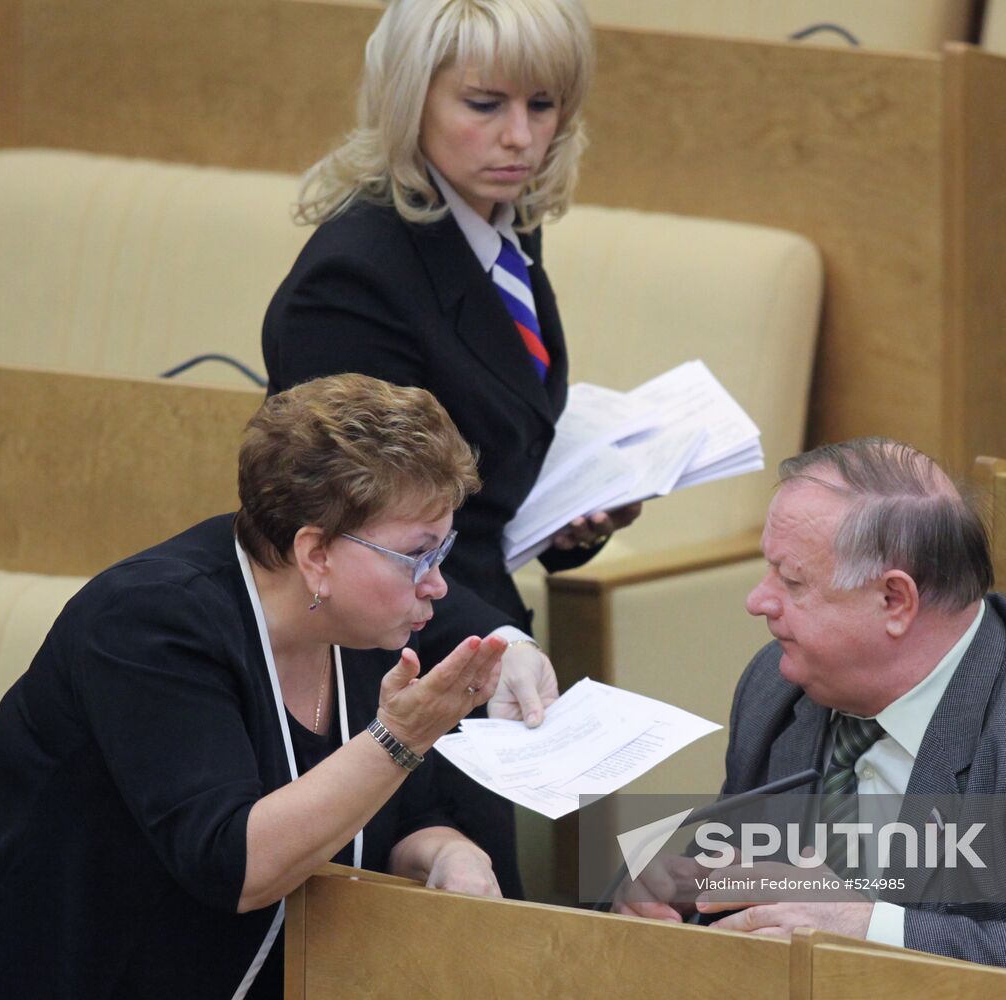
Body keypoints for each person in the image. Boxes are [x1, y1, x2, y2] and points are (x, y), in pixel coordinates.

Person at [0, 374, 509, 1000]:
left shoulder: (359, 632)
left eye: (444, 552)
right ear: (316, 555)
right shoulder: (147, 621)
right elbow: (233, 864)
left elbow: (406, 816)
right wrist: (400, 737)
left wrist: (447, 855)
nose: (437, 584)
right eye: (418, 556)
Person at [262, 0, 639, 894]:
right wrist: (494, 637)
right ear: (409, 100)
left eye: (543, 105)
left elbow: (480, 476)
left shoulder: (499, 228)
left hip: (467, 638)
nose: (519, 137)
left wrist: (573, 516)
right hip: (387, 668)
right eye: (485, 104)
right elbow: (355, 530)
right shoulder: (354, 276)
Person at [621, 438, 1006, 991]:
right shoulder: (779, 687)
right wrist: (690, 891)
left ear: (894, 600)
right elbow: (759, 882)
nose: (758, 601)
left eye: (792, 581)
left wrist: (864, 928)